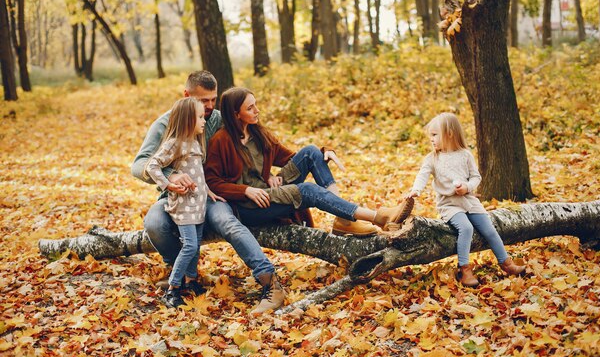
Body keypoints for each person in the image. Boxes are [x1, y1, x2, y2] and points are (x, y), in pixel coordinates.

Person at [131, 71, 285, 314]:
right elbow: (139, 165)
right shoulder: (166, 124)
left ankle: (270, 281)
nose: (210, 106)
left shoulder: (221, 119)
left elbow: (253, 139)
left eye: (213, 99)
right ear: (186, 96)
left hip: (214, 194)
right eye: (204, 101)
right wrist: (171, 176)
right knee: (154, 223)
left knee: (227, 221)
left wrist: (266, 173)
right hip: (177, 195)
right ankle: (181, 275)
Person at [204, 87, 413, 238]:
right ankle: (378, 217)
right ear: (235, 114)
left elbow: (293, 157)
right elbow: (213, 182)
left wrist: (324, 153)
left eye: (256, 105)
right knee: (306, 190)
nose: (257, 110)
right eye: (250, 108)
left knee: (311, 152)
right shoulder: (221, 141)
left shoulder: (258, 134)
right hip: (251, 206)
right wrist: (245, 191)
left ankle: (345, 220)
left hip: (269, 191)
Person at [405, 112, 526, 287]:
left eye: (434, 135)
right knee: (466, 228)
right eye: (430, 135)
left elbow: (476, 177)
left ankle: (506, 263)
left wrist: (467, 187)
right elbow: (422, 175)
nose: (431, 139)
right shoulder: (433, 159)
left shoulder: (465, 155)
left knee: (490, 230)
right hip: (450, 205)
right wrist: (416, 190)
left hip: (469, 201)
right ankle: (465, 269)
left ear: (449, 134)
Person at [145, 98, 211, 308]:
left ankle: (191, 281)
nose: (204, 121)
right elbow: (152, 166)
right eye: (200, 117)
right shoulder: (175, 142)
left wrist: (210, 192)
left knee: (196, 245)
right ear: (187, 120)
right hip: (184, 206)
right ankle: (173, 288)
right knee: (189, 246)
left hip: (198, 205)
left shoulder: (195, 142)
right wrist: (168, 184)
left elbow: (198, 174)